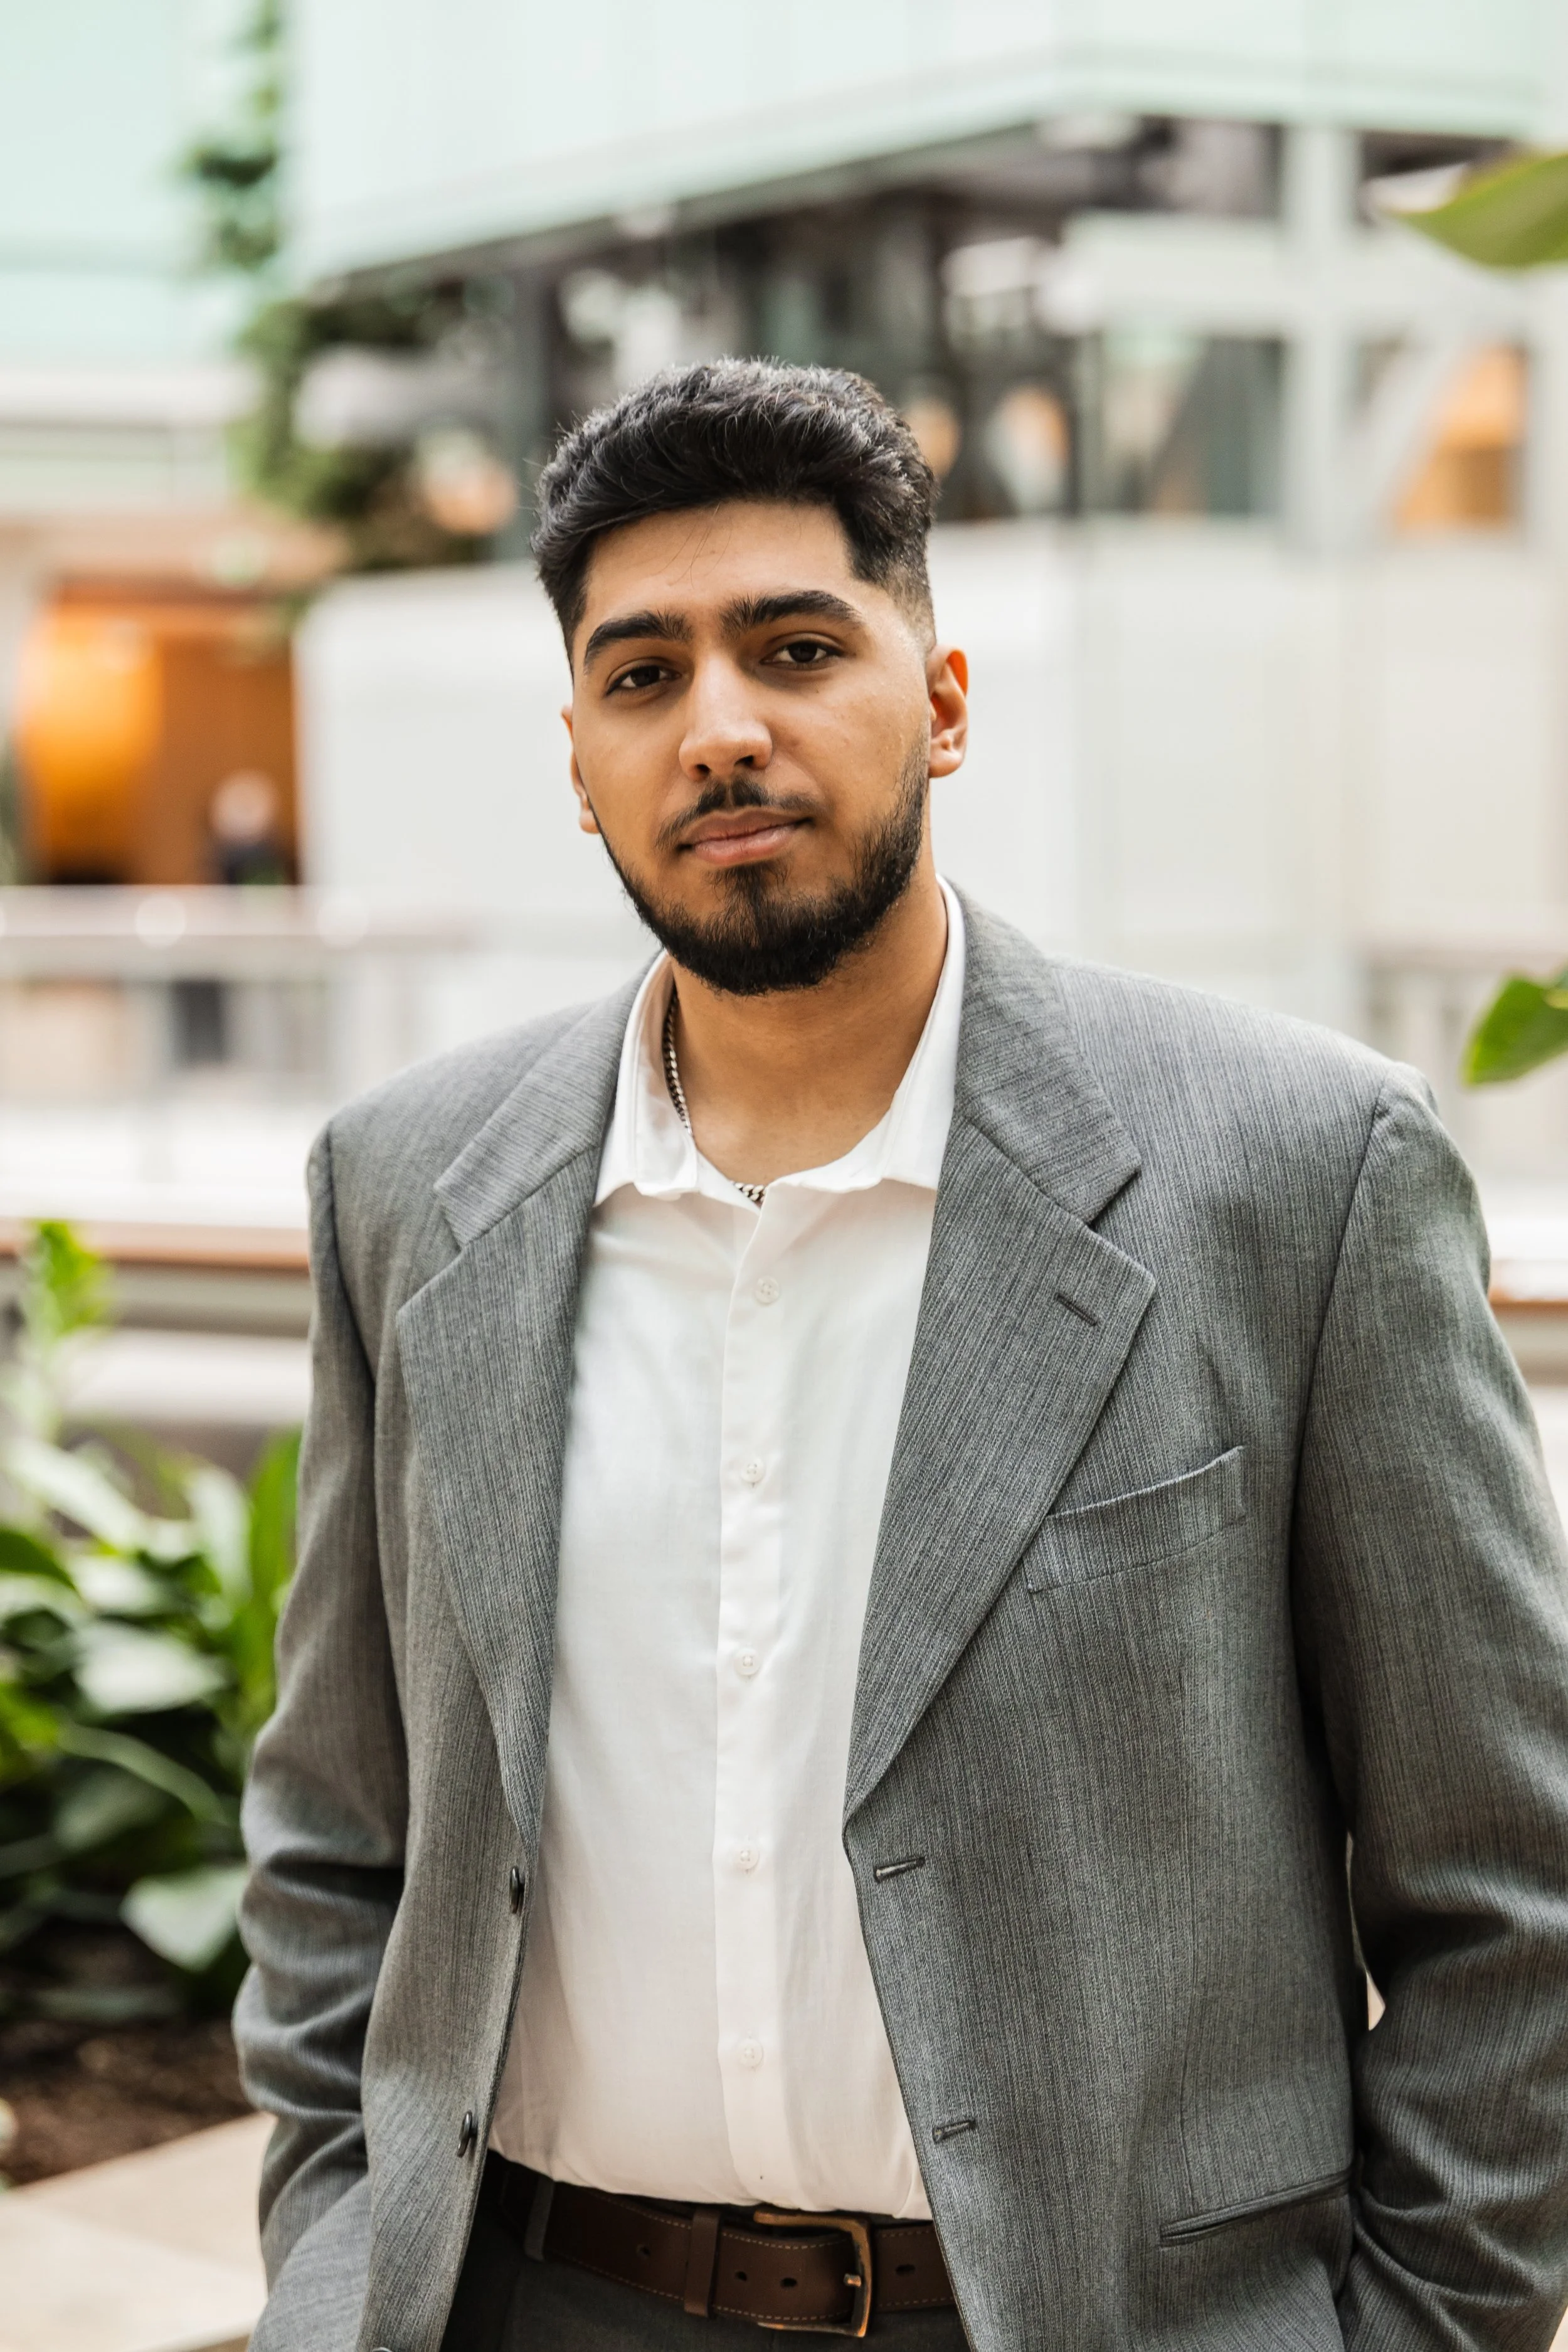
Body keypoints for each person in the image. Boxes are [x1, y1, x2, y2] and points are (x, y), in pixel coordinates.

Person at [235, 359, 1568, 2352]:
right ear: (579, 757)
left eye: (795, 648)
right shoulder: (411, 1185)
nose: (721, 727)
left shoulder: (1297, 1171)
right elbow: (341, 1835)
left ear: (940, 702)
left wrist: (1423, 2328)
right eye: (642, 676)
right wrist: (342, 2266)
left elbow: (1510, 1883)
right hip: (527, 2301)